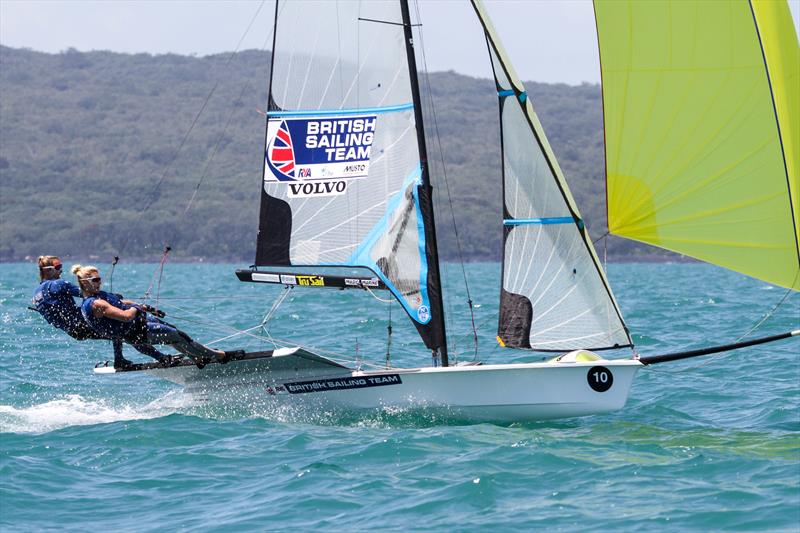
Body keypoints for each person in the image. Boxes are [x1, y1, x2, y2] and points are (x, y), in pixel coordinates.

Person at [72, 264, 234, 368]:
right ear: (85, 282)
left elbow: (122, 301)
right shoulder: (95, 304)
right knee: (179, 336)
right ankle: (220, 356)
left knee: (174, 335)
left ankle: (197, 358)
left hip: (140, 325)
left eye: (100, 278)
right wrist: (136, 307)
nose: (100, 282)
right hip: (137, 331)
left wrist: (147, 308)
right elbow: (126, 316)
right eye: (96, 279)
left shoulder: (101, 295)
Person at [32, 255, 172, 369]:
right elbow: (87, 293)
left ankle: (119, 359)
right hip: (84, 323)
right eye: (58, 267)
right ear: (48, 270)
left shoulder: (36, 293)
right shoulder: (58, 284)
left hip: (74, 332)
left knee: (120, 333)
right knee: (128, 331)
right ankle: (163, 358)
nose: (61, 270)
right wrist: (113, 297)